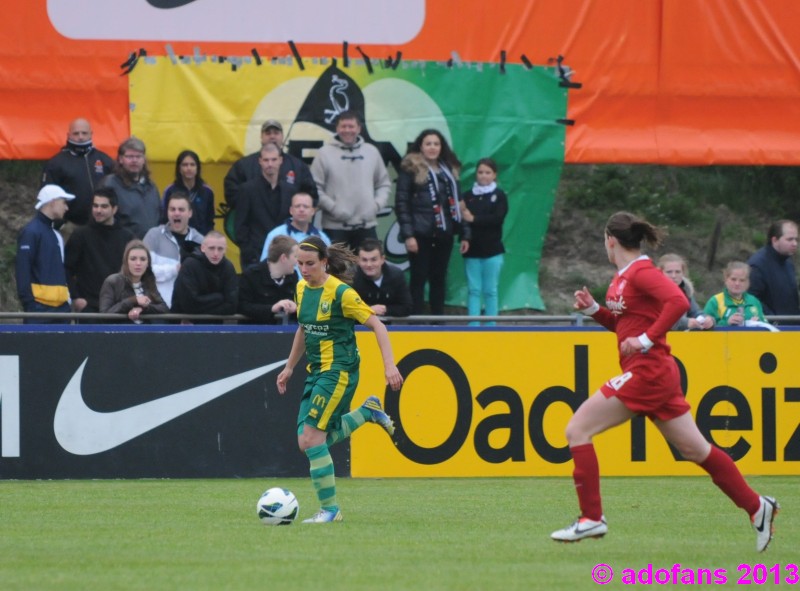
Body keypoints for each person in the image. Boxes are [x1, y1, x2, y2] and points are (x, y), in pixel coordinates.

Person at [550, 211, 778, 552]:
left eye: (603, 240)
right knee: (695, 449)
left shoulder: (641, 271)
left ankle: (591, 518)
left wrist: (645, 340)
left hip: (648, 372)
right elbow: (623, 326)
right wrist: (595, 309)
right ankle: (757, 507)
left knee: (577, 430)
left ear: (610, 240)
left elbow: (678, 301)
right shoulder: (623, 276)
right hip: (658, 372)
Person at [276, 236, 404, 523]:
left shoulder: (341, 293)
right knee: (306, 442)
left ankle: (331, 510)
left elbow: (378, 326)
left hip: (339, 372)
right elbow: (303, 329)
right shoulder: (300, 288)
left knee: (311, 438)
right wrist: (289, 367)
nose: (304, 270)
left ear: (324, 262)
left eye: (310, 264)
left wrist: (389, 366)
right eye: (300, 264)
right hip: (316, 371)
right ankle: (367, 412)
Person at [395, 129, 470, 316]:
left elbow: (459, 204)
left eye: (436, 144)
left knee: (439, 279)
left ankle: (437, 321)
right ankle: (417, 320)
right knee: (418, 279)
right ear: (420, 146)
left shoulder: (449, 170)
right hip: (420, 234)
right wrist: (408, 235)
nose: (432, 148)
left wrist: (465, 232)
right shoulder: (410, 169)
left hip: (444, 234)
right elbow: (402, 202)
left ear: (441, 147)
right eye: (428, 144)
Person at [310, 111, 391, 252]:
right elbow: (314, 187)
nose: (347, 130)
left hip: (366, 226)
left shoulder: (371, 152)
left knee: (368, 270)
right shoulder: (324, 154)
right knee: (336, 271)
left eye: (351, 126)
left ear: (359, 128)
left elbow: (383, 184)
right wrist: (333, 208)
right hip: (335, 227)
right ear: (337, 128)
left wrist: (376, 205)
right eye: (343, 126)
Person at [65, 187, 135, 314]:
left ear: (114, 209)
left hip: (119, 308)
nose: (98, 210)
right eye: (95, 206)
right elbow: (67, 268)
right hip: (89, 308)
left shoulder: (127, 237)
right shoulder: (80, 235)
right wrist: (75, 297)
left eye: (104, 206)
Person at [223, 119, 317, 209]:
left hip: (287, 222)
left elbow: (311, 196)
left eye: (276, 133)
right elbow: (231, 193)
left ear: (282, 136)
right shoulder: (243, 165)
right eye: (268, 133)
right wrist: (253, 207)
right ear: (261, 137)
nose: (272, 136)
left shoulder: (298, 166)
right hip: (255, 223)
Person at [15, 185, 75, 324]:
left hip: (60, 309)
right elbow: (22, 270)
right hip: (39, 309)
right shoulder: (31, 232)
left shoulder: (54, 234)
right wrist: (30, 305)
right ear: (53, 202)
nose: (66, 208)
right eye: (64, 202)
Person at [459, 157, 508, 326]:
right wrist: (464, 238)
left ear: (494, 175)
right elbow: (463, 222)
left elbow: (497, 218)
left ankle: (491, 325)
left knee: (490, 290)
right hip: (472, 251)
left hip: (493, 251)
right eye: (480, 172)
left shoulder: (499, 195)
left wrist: (474, 218)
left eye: (488, 172)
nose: (483, 176)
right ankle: (473, 325)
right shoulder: (468, 195)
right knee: (473, 290)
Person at [41, 118, 115, 226]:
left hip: (102, 223)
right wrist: (60, 223)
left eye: (84, 133)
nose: (80, 137)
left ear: (91, 134)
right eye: (76, 133)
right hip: (71, 225)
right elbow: (47, 195)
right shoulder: (56, 163)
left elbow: (116, 191)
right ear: (68, 135)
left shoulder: (104, 160)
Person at [235, 142, 298, 268]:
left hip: (284, 257)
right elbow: (240, 226)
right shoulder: (247, 190)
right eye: (266, 160)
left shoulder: (290, 191)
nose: (270, 164)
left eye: (274, 159)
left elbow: (293, 223)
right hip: (255, 258)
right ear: (260, 161)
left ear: (281, 160)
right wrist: (250, 253)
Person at [143, 191, 205, 308]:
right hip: (158, 308)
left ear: (190, 213)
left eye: (181, 210)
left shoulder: (201, 241)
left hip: (189, 311)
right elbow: (144, 272)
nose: (176, 213)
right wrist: (174, 269)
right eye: (172, 209)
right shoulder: (153, 235)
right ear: (167, 212)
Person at [171, 231, 238, 320]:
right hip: (183, 325)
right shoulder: (189, 265)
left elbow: (232, 305)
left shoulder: (228, 267)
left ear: (225, 250)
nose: (216, 253)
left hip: (213, 326)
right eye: (211, 248)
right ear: (203, 248)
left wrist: (203, 313)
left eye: (220, 249)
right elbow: (189, 304)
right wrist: (219, 298)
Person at [103, 137, 160, 239]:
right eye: (130, 156)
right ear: (120, 159)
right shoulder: (110, 184)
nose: (134, 160)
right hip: (123, 247)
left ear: (144, 160)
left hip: (150, 248)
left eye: (138, 156)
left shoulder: (151, 187)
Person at [98, 240, 169, 323]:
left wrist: (142, 308)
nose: (138, 263)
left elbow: (164, 308)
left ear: (147, 263)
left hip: (145, 333)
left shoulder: (148, 281)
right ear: (126, 262)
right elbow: (104, 315)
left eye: (143, 259)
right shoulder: (113, 281)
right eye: (133, 259)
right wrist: (133, 300)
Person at [239, 235, 299, 324]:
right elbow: (242, 306)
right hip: (256, 332)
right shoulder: (252, 275)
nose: (298, 261)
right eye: (295, 256)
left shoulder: (293, 276)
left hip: (285, 333)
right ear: (283, 258)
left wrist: (296, 308)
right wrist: (272, 308)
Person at [747, 219, 799, 318]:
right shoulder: (757, 265)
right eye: (790, 239)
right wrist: (774, 320)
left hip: (792, 327)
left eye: (796, 239)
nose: (795, 243)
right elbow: (751, 299)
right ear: (775, 240)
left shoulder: (788, 262)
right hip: (771, 329)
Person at [260, 192, 330, 261]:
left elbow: (329, 266)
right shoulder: (275, 235)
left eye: (306, 206)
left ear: (313, 211)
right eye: (297, 206)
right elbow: (264, 265)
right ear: (291, 210)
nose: (301, 210)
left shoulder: (322, 238)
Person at [352, 238, 412, 318]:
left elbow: (407, 307)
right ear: (358, 261)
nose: (369, 264)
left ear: (382, 259)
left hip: (391, 328)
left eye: (373, 260)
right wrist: (367, 309)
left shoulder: (396, 276)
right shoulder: (351, 278)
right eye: (364, 260)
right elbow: (345, 309)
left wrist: (385, 309)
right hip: (360, 327)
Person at [161, 150, 215, 235]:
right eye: (185, 165)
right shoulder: (170, 191)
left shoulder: (207, 192)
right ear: (179, 168)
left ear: (198, 168)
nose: (189, 168)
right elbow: (164, 219)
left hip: (200, 240)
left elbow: (209, 222)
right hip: (175, 239)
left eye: (192, 165)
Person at [656, 253, 713, 330]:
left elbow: (696, 312)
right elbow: (659, 320)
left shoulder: (686, 292)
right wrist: (686, 323)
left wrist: (708, 320)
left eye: (677, 272)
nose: (674, 276)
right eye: (669, 272)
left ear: (683, 273)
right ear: (660, 273)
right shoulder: (653, 294)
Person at [703, 261, 768, 327]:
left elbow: (766, 327)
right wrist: (726, 323)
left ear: (748, 282)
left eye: (742, 280)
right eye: (733, 279)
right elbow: (705, 330)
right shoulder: (715, 302)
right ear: (726, 279)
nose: (737, 283)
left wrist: (758, 323)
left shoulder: (754, 301)